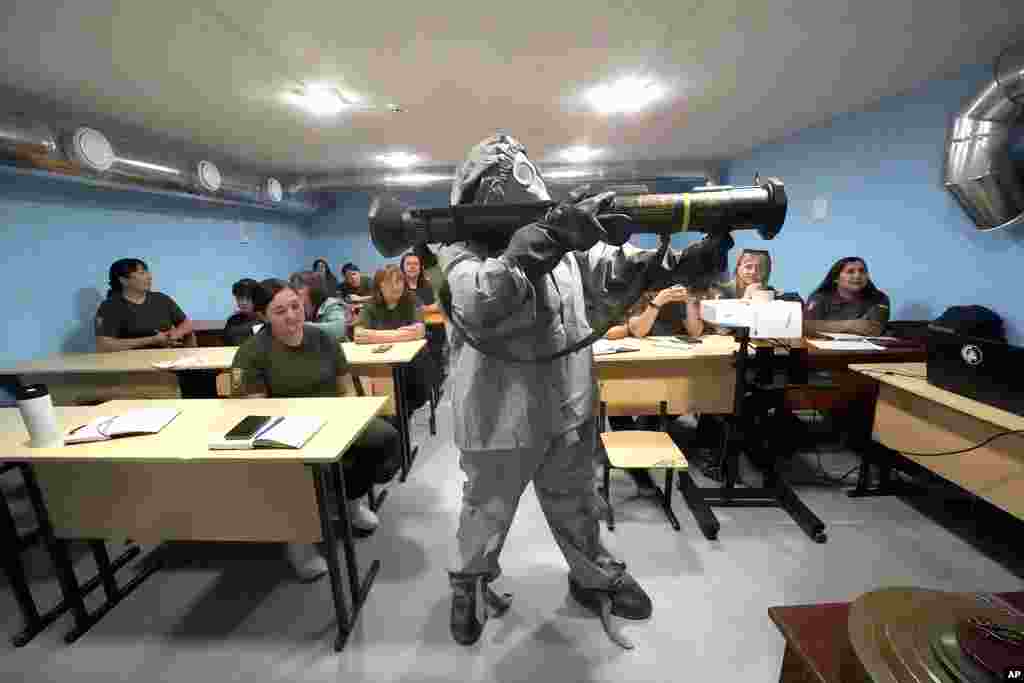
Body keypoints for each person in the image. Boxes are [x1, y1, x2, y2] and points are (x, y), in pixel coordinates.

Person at [438, 134, 734, 647]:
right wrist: (545, 239)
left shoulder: (563, 238)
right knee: (484, 509)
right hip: (497, 412)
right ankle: (469, 584)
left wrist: (686, 259)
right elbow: (481, 299)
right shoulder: (458, 250)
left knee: (577, 502)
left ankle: (593, 575)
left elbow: (617, 273)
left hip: (567, 405)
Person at [230, 279, 402, 580]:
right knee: (293, 470)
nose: (292, 316)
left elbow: (346, 387)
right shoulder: (250, 353)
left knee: (384, 438)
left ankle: (351, 501)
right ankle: (299, 539)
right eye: (280, 311)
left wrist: (348, 416)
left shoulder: (322, 339)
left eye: (296, 306)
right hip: (285, 431)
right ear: (263, 316)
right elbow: (253, 410)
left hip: (333, 420)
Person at [353, 266, 431, 413]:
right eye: (390, 282)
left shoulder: (412, 300)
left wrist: (374, 335)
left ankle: (403, 412)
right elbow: (358, 335)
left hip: (410, 365)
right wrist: (401, 334)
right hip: (380, 364)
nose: (396, 286)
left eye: (400, 281)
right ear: (379, 285)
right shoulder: (371, 305)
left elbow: (419, 331)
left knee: (405, 394)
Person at [95, 258, 195, 352]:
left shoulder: (161, 299)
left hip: (167, 358)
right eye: (142, 273)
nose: (149, 277)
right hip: (132, 363)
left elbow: (186, 324)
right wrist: (152, 340)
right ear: (124, 280)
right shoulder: (109, 307)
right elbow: (104, 345)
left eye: (147, 272)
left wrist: (175, 334)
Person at [804, 257, 890, 336]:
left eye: (862, 271)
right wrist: (849, 325)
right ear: (836, 278)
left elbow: (873, 330)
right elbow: (806, 327)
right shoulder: (819, 297)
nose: (857, 276)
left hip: (866, 349)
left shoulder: (879, 298)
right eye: (850, 272)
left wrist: (825, 326)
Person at [290, 271, 348, 343]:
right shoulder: (298, 308)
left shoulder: (331, 304)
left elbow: (339, 330)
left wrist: (302, 326)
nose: (294, 292)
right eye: (293, 288)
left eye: (299, 287)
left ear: (313, 288)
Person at [223, 278, 263, 346]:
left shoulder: (265, 320)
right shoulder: (232, 321)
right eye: (240, 298)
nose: (243, 303)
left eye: (248, 298)